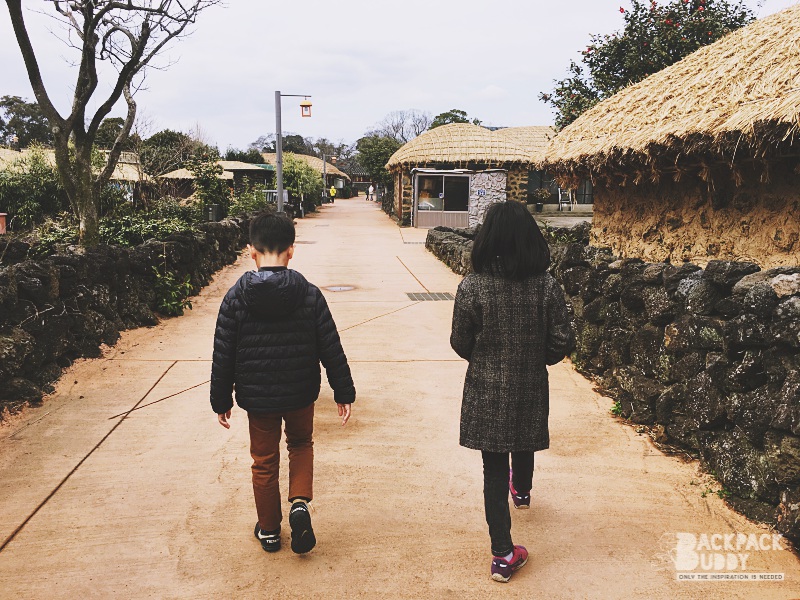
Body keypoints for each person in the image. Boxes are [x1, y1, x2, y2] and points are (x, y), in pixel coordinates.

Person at [211, 212, 356, 555]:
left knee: (264, 460)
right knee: (301, 444)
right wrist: (343, 390)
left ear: (252, 252)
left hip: (258, 398)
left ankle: (270, 530)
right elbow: (330, 346)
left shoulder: (236, 298)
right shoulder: (308, 294)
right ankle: (300, 503)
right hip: (300, 392)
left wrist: (221, 400)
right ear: (291, 251)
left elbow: (223, 353)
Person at [449, 201, 574, 583]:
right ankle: (522, 490)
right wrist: (538, 359)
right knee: (523, 437)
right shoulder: (546, 286)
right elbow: (561, 340)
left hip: (486, 388)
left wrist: (484, 357)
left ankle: (503, 553)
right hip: (529, 381)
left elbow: (459, 341)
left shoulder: (472, 286)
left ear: (487, 240)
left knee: (492, 468)